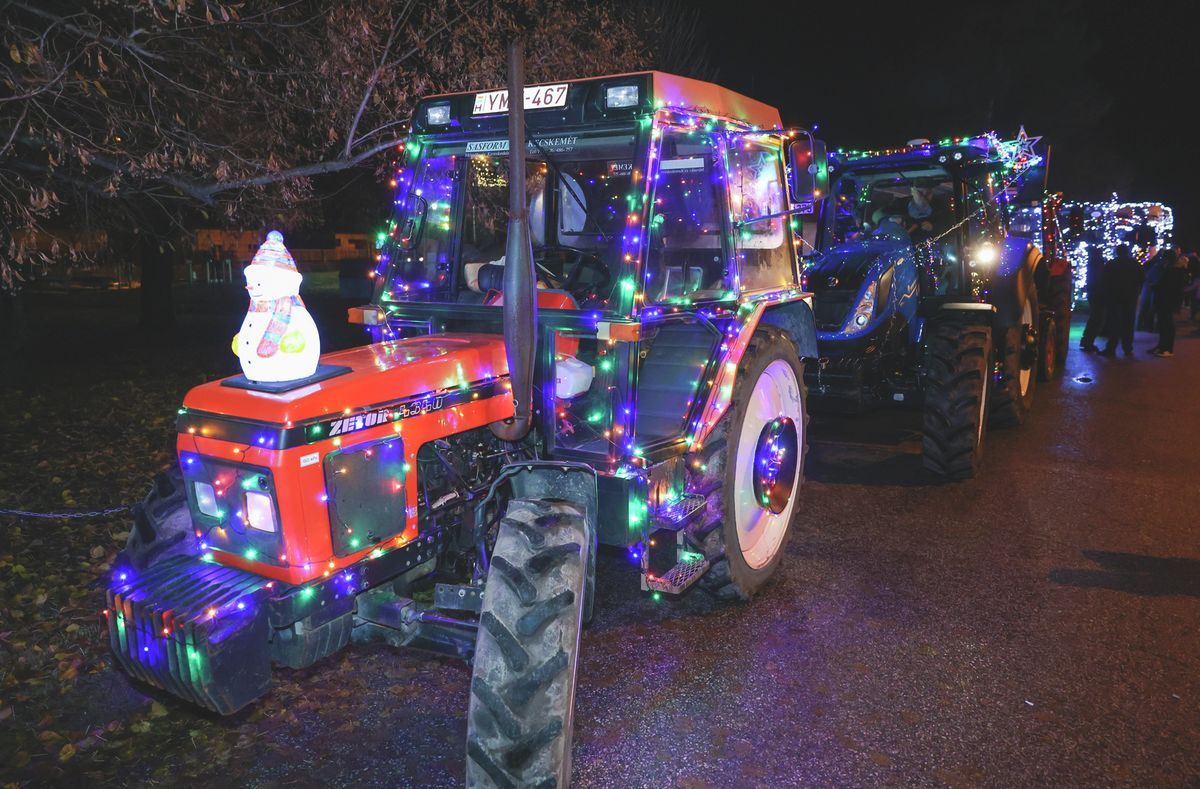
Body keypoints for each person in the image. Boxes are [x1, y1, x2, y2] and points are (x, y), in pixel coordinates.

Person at [1099, 244, 1144, 357]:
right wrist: (1137, 292)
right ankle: (1127, 348)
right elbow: (1142, 279)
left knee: (1114, 322)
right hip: (1130, 297)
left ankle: (1111, 348)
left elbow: (1104, 280)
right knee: (1129, 323)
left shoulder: (1111, 264)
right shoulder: (1135, 264)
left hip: (1114, 297)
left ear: (1117, 252)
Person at [1150, 250, 1187, 357]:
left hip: (1166, 300)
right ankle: (1163, 346)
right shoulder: (1175, 270)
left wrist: (1155, 286)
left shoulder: (1172, 271)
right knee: (1165, 323)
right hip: (1169, 300)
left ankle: (1166, 348)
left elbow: (1165, 285)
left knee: (1166, 324)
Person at [1080, 245, 1108, 353]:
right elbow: (1099, 279)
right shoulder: (1098, 264)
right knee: (1098, 318)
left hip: (1094, 293)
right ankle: (1088, 342)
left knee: (1095, 318)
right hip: (1098, 294)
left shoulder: (1092, 263)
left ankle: (1087, 341)